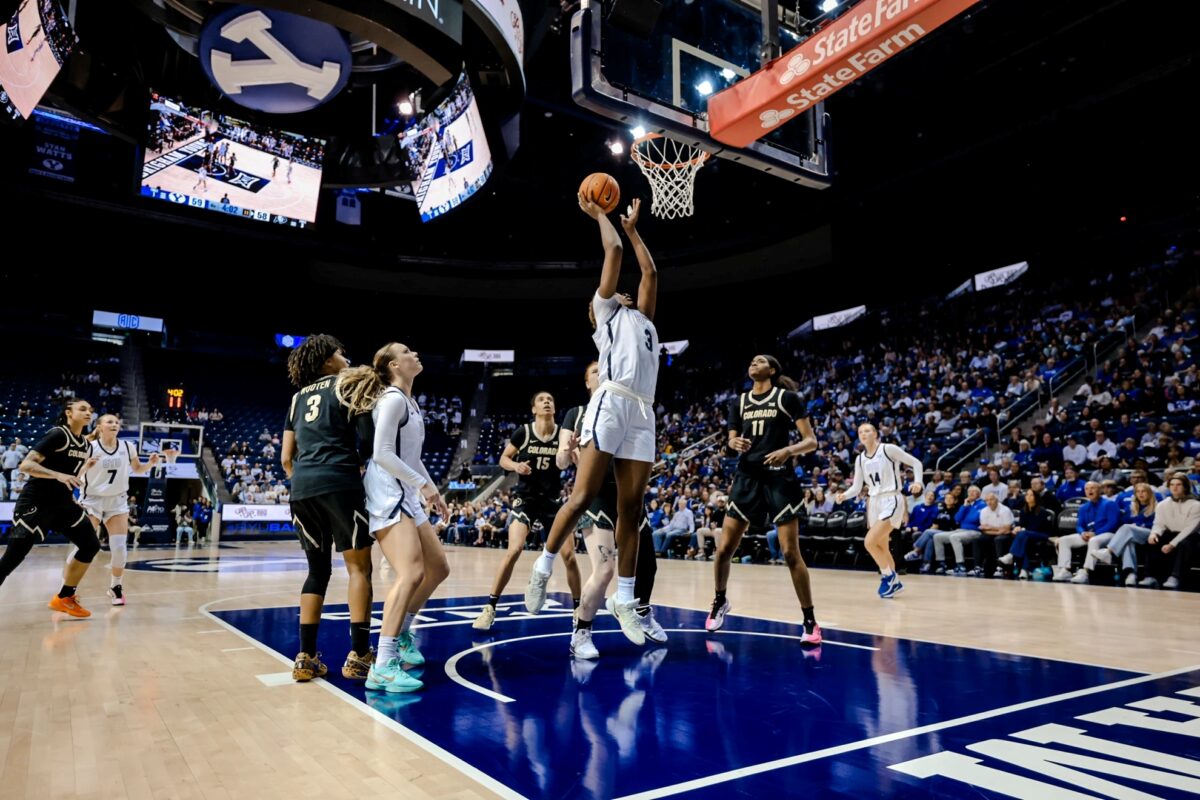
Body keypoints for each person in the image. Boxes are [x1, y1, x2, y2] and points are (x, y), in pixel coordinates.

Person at [525, 196, 661, 646]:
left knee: (632, 508)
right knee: (583, 495)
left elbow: (650, 273)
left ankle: (625, 598)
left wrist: (635, 228)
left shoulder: (642, 320)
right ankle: (543, 565)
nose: (621, 291)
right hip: (615, 400)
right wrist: (602, 217)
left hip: (643, 408)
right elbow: (615, 254)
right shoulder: (606, 316)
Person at [339, 343, 451, 692]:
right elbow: (382, 453)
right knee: (412, 572)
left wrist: (434, 491)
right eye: (407, 351)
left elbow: (412, 458)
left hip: (407, 493)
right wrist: (422, 487)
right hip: (389, 491)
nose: (415, 353)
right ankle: (384, 664)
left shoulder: (410, 402)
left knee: (438, 568)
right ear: (393, 365)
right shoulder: (391, 399)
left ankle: (402, 634)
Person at [281, 334, 376, 683]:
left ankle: (305, 657)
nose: (345, 357)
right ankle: (360, 656)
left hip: (302, 490)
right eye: (340, 352)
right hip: (340, 485)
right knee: (359, 570)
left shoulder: (295, 399)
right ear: (325, 361)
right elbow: (366, 442)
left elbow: (285, 459)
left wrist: (306, 478)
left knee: (316, 572)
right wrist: (349, 467)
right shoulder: (349, 386)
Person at [706, 355, 820, 643]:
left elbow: (811, 441)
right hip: (747, 478)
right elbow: (731, 441)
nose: (753, 364)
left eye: (759, 362)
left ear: (772, 369)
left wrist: (789, 451)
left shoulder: (787, 398)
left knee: (791, 553)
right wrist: (732, 442)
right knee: (723, 550)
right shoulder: (739, 402)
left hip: (780, 478)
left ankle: (810, 621)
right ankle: (720, 600)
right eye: (751, 362)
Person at [474, 392, 582, 631]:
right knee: (514, 549)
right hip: (526, 499)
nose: (547, 402)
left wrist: (575, 453)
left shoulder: (563, 435)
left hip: (553, 502)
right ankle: (490, 607)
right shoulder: (523, 432)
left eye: (551, 400)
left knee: (570, 557)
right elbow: (503, 458)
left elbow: (579, 464)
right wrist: (515, 466)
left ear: (554, 408)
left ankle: (578, 609)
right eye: (542, 400)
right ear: (533, 408)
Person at [0, 398, 100, 617]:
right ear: (68, 413)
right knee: (13, 557)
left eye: (90, 410)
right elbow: (26, 465)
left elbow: (68, 476)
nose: (88, 413)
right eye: (82, 409)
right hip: (36, 501)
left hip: (63, 503)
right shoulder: (57, 434)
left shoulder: (84, 445)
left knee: (90, 544)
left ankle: (65, 597)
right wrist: (58, 475)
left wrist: (81, 472)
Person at [74, 414, 160, 605]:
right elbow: (75, 474)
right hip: (92, 500)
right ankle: (67, 589)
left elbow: (137, 469)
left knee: (120, 548)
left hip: (117, 501)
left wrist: (150, 464)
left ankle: (115, 587)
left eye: (116, 422)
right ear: (99, 426)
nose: (114, 424)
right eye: (109, 422)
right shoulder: (89, 447)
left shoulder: (128, 447)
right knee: (81, 546)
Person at [836, 423, 925, 597]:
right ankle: (894, 582)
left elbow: (916, 463)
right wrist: (844, 495)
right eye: (860, 431)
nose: (863, 433)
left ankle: (888, 577)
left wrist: (918, 482)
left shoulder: (888, 449)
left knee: (869, 542)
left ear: (876, 434)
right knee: (881, 546)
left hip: (891, 498)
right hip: (874, 502)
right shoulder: (860, 458)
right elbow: (856, 486)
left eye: (867, 430)